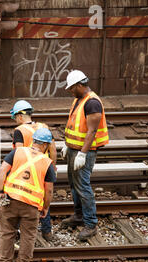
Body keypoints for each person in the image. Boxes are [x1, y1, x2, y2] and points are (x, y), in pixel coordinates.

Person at [0, 128, 56, 262]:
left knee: (7, 233)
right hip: (31, 206)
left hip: (10, 199)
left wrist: (0, 191)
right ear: (46, 145)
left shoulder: (17, 152)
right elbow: (49, 190)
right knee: (28, 236)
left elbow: (2, 170)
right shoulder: (47, 163)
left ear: (34, 140)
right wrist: (45, 207)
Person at [60, 70, 109, 241]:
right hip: (74, 149)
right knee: (74, 185)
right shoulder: (79, 100)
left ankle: (90, 224)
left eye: (72, 88)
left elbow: (92, 131)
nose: (70, 91)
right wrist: (68, 145)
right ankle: (79, 216)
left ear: (80, 85)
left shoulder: (92, 103)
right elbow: (75, 126)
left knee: (83, 186)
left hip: (84, 152)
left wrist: (82, 153)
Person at [10, 100, 57, 242]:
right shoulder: (44, 126)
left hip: (27, 172)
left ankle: (17, 230)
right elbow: (53, 149)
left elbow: (18, 152)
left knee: (22, 198)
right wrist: (52, 167)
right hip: (44, 168)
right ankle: (47, 231)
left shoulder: (19, 131)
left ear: (19, 116)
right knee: (42, 200)